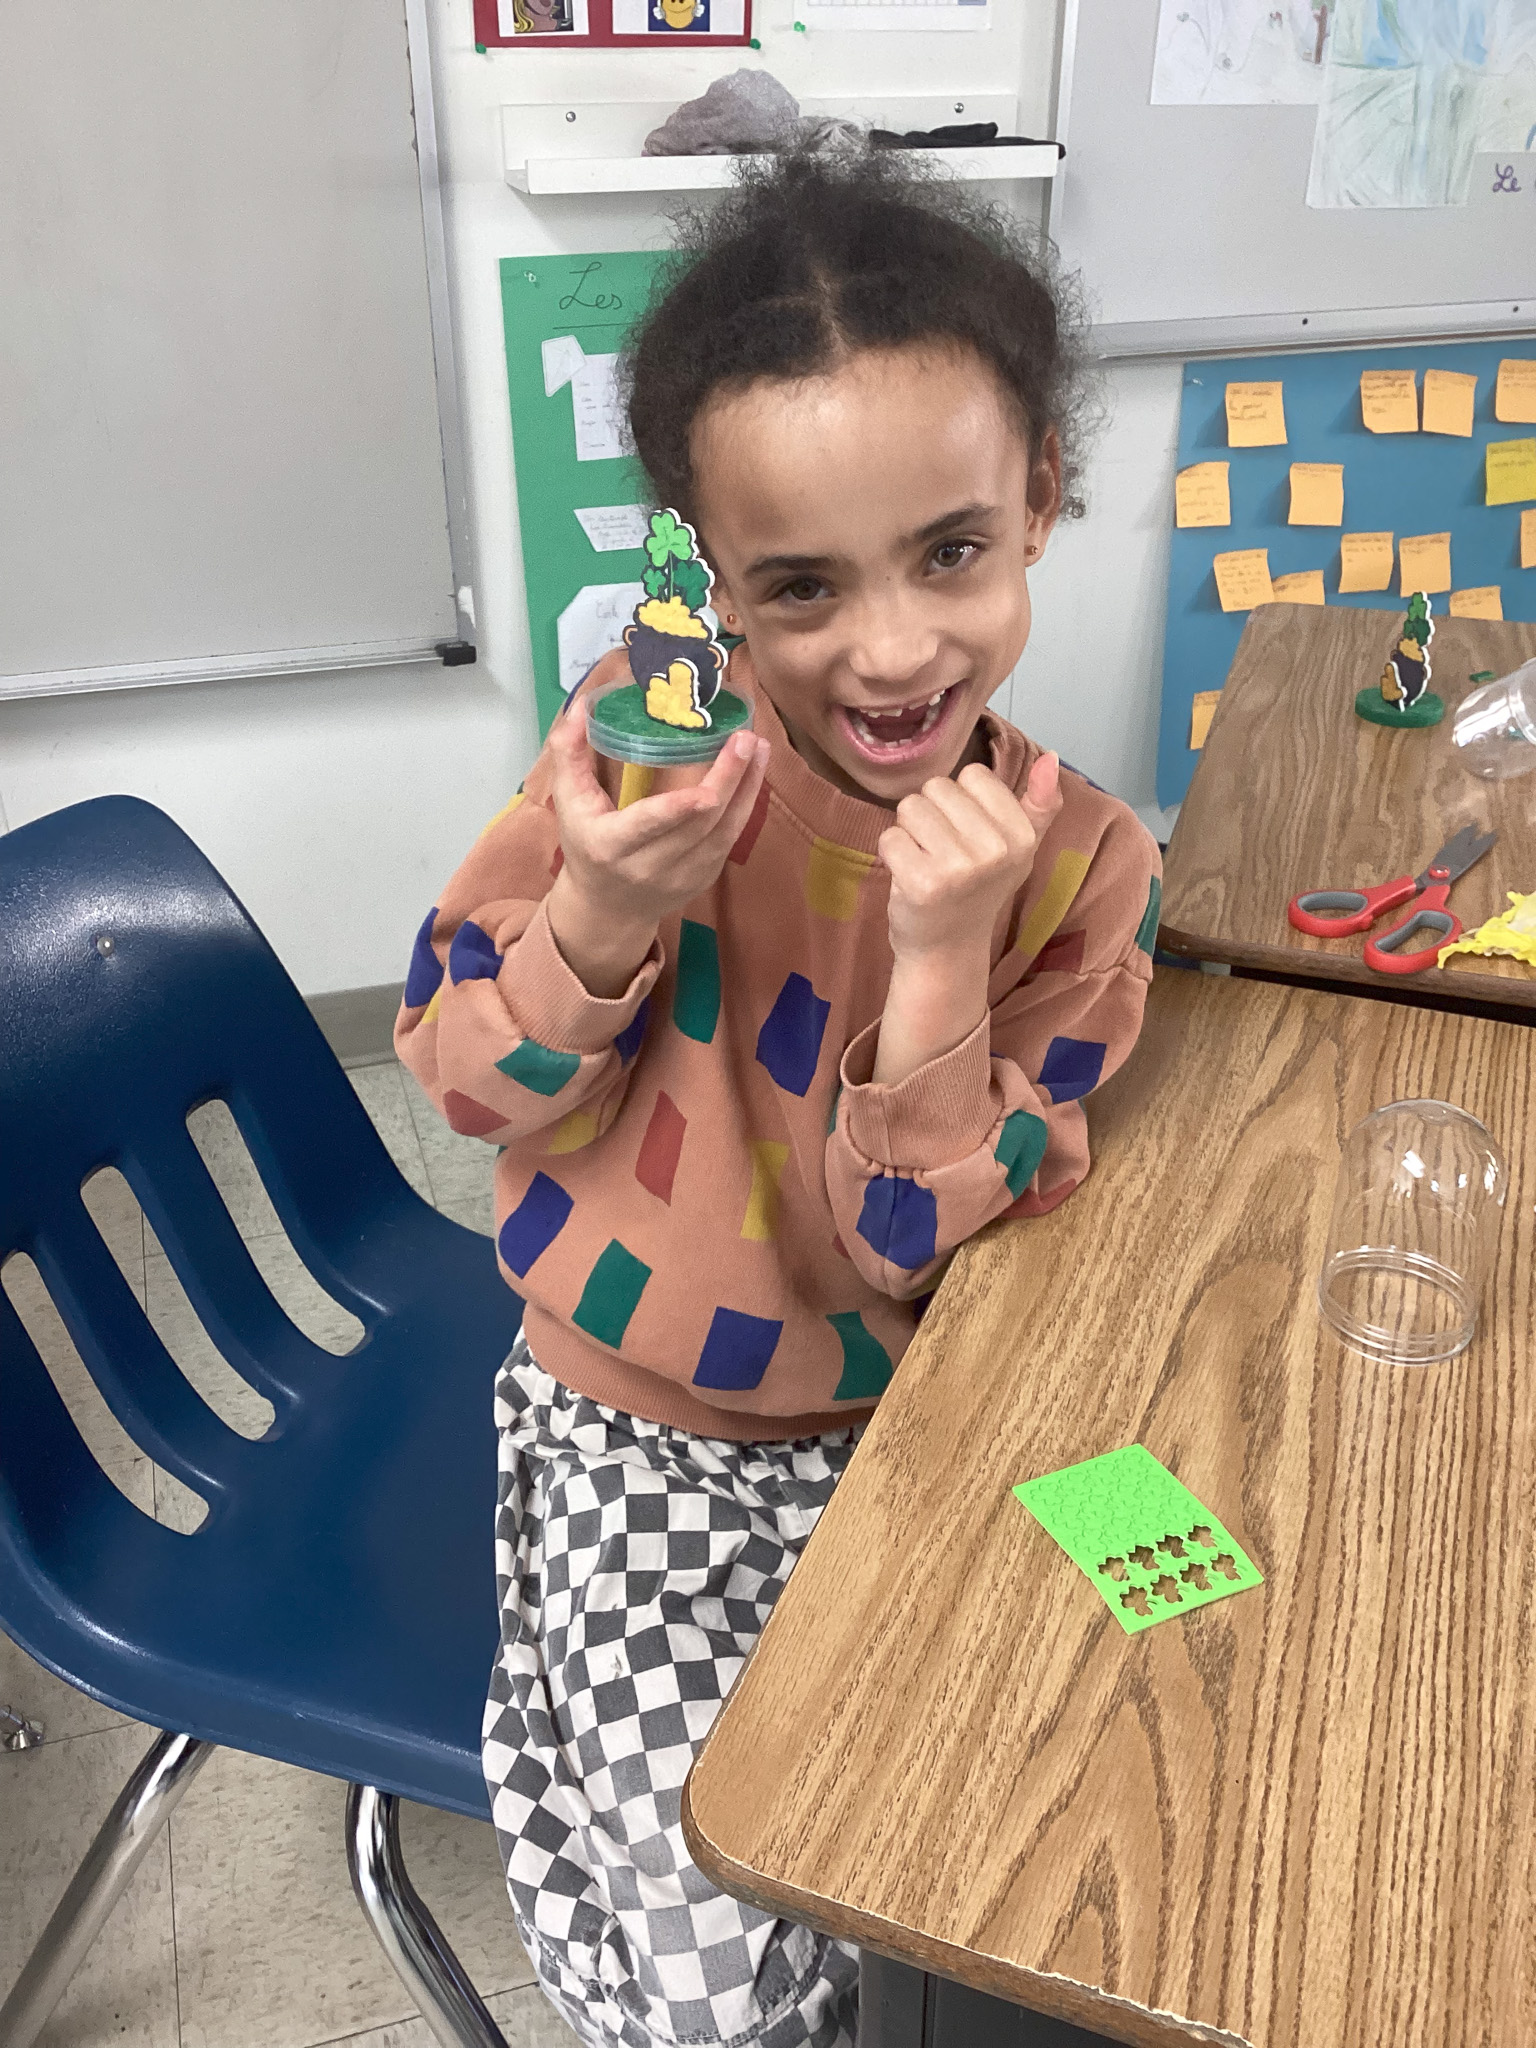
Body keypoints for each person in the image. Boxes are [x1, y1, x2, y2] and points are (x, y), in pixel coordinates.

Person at [396, 147, 1160, 2048]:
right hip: (633, 1427)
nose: (891, 653)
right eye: (803, 586)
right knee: (723, 1963)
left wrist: (937, 967)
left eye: (952, 551)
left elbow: (918, 1250)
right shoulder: (640, 772)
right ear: (705, 570)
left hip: (911, 1420)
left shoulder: (1082, 869)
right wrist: (596, 914)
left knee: (1065, 1837)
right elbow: (466, 1093)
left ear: (1041, 497)